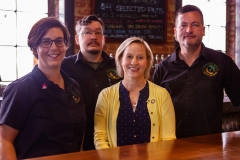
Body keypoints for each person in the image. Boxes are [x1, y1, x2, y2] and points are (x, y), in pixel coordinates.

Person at [0, 17, 86, 159]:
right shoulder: (21, 89)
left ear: (66, 45)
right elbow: (4, 140)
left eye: (59, 41)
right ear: (35, 47)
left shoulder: (74, 87)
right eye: (46, 42)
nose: (54, 47)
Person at [152, 5, 240, 139]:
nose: (189, 30)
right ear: (175, 32)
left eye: (195, 24)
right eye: (183, 25)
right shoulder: (162, 68)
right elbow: (152, 112)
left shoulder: (222, 62)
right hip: (171, 147)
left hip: (210, 147)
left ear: (203, 30)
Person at [94, 37, 176, 149]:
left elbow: (168, 139)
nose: (134, 62)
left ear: (147, 62)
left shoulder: (162, 95)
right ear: (120, 59)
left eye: (140, 57)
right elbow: (100, 137)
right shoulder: (105, 96)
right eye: (129, 56)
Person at [61, 15, 121, 150]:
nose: (93, 37)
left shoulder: (119, 67)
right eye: (87, 32)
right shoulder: (64, 67)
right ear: (77, 39)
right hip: (75, 141)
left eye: (98, 32)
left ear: (104, 39)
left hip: (112, 139)